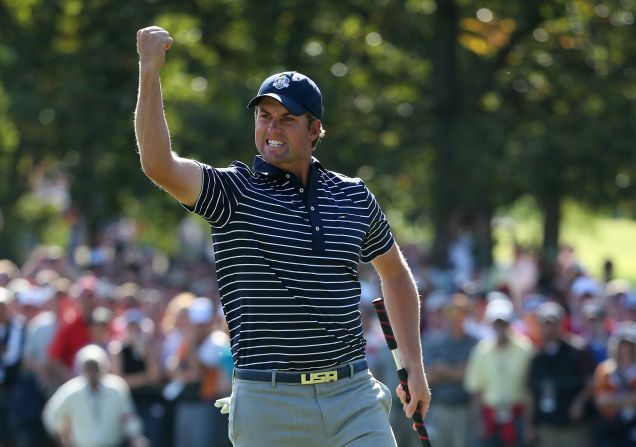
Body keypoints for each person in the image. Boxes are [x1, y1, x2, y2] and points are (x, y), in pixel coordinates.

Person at [134, 25, 430, 447]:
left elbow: (396, 275)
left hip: (353, 395)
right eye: (264, 116)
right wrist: (149, 71)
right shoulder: (232, 192)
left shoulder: (351, 195)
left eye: (287, 119)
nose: (273, 128)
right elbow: (159, 164)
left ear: (314, 130)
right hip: (268, 402)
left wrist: (415, 368)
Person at [42, 344, 148, 447]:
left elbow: (128, 417)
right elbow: (51, 415)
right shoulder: (71, 391)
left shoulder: (116, 387)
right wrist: (63, 438)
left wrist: (136, 436)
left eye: (95, 367)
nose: (92, 372)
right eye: (89, 367)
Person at [524, 301, 595, 447]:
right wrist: (530, 424)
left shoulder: (577, 349)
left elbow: (592, 380)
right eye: (545, 323)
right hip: (548, 425)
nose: (549, 328)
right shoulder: (536, 357)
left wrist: (580, 402)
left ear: (561, 323)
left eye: (553, 323)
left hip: (575, 426)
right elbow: (531, 392)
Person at [464, 297, 533, 447]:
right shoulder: (481, 351)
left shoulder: (525, 349)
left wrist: (529, 424)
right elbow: (476, 390)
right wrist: (479, 422)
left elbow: (530, 389)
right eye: (496, 323)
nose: (500, 327)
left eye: (503, 322)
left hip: (517, 417)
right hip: (490, 417)